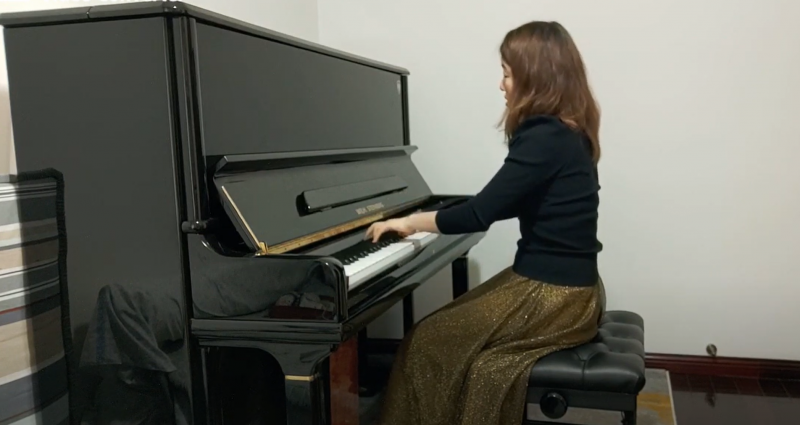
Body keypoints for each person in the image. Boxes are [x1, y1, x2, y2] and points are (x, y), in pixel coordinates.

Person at [364, 20, 606, 425]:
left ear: (535, 78)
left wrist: (411, 222)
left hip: (552, 295)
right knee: (445, 339)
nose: (501, 85)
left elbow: (480, 213)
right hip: (571, 290)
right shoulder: (568, 131)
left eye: (508, 74)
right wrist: (436, 216)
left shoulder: (544, 135)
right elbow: (513, 202)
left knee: (426, 341)